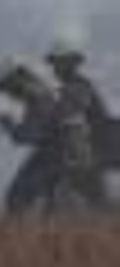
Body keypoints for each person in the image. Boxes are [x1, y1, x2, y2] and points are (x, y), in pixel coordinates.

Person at [0, 58, 104, 215]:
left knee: (16, 197)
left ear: (14, 81)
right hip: (72, 153)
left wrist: (9, 125)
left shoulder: (37, 94)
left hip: (59, 154)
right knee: (75, 205)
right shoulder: (41, 89)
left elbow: (28, 135)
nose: (8, 94)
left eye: (5, 88)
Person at [47, 40, 113, 185]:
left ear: (72, 64)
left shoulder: (78, 85)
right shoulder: (68, 87)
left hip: (92, 146)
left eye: (60, 62)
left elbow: (73, 117)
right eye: (54, 63)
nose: (55, 68)